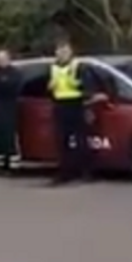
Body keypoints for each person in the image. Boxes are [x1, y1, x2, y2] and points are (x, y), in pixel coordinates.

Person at [47, 40, 100, 186]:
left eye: (65, 51)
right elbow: (50, 88)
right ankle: (65, 172)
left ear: (71, 52)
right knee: (61, 141)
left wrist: (78, 85)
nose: (62, 54)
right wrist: (50, 88)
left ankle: (86, 171)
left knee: (81, 140)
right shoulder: (53, 68)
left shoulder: (78, 66)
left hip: (76, 104)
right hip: (60, 105)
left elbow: (88, 86)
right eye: (59, 51)